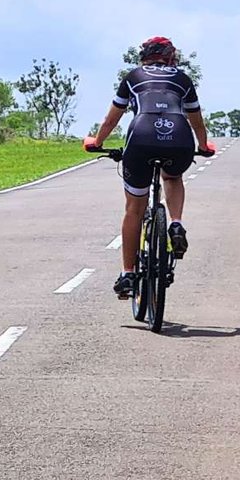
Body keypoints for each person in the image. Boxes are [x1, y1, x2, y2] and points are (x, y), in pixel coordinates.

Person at [85, 37, 216, 299]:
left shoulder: (133, 76)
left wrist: (96, 142)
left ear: (144, 56)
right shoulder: (183, 79)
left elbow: (112, 118)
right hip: (178, 137)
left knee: (134, 209)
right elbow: (197, 121)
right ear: (171, 57)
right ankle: (176, 223)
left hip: (141, 137)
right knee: (173, 175)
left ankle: (128, 274)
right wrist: (203, 145)